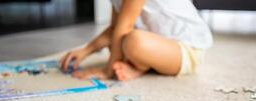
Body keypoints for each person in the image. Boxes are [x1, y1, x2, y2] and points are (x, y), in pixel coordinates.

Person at [61, 0, 213, 81]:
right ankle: (141, 66)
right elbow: (115, 28)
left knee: (132, 41)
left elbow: (125, 27)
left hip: (187, 49)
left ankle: (140, 67)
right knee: (121, 40)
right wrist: (85, 51)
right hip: (159, 45)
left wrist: (108, 70)